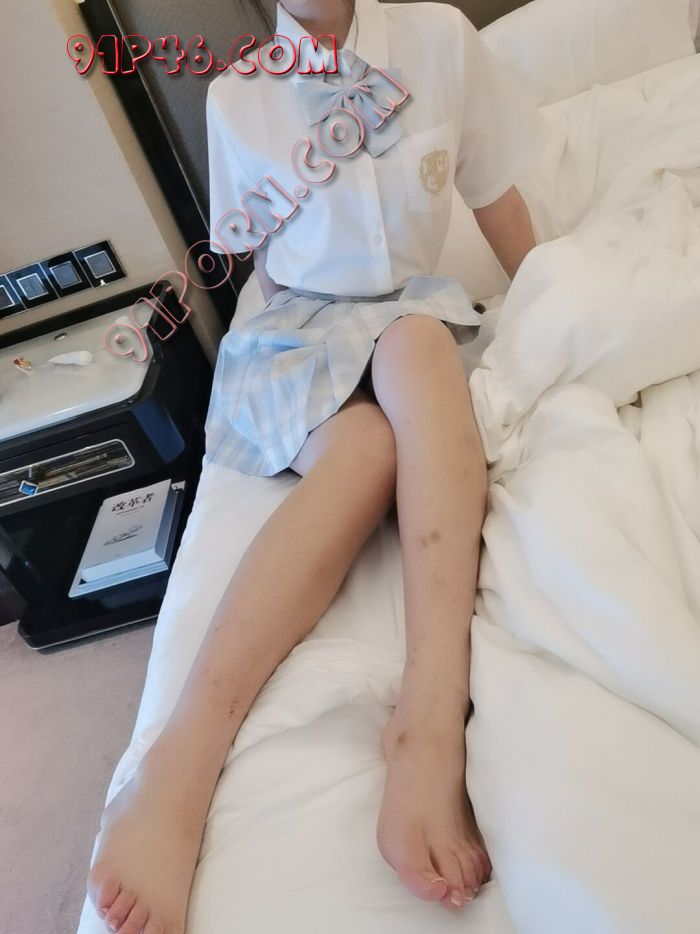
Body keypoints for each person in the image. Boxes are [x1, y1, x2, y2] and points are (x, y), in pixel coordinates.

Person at [86, 1, 545, 931]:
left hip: (412, 316)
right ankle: (180, 763)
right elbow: (267, 267)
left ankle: (429, 720)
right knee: (367, 447)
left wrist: (559, 310)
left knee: (417, 341)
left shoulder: (440, 42)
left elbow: (497, 198)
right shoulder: (236, 99)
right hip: (297, 331)